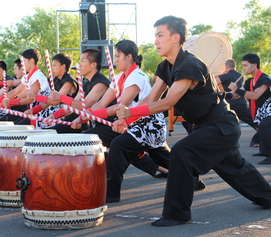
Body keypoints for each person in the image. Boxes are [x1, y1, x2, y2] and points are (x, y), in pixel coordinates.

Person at [115, 16, 271, 226]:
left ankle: (177, 213)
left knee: (182, 152)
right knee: (235, 168)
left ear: (175, 37)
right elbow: (151, 99)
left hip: (221, 124)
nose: (156, 41)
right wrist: (129, 117)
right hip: (209, 127)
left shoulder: (190, 65)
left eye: (160, 35)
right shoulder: (165, 67)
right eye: (155, 36)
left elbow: (167, 102)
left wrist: (129, 113)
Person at [72, 40, 170, 203]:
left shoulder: (137, 76)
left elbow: (120, 106)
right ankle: (191, 179)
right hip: (129, 123)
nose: (115, 60)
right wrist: (82, 116)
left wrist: (93, 114)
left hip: (148, 125)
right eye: (115, 57)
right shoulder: (118, 78)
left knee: (119, 146)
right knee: (90, 138)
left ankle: (111, 193)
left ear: (129, 57)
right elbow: (101, 104)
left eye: (118, 56)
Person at [228, 53, 271, 164]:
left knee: (264, 125)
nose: (244, 68)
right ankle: (264, 151)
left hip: (269, 111)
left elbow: (255, 95)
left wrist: (237, 90)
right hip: (263, 112)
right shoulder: (249, 81)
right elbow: (235, 95)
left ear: (254, 65)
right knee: (261, 126)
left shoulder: (264, 79)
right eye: (243, 66)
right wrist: (222, 95)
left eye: (245, 65)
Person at [25, 53, 79, 131]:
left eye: (55, 65)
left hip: (71, 119)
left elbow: (56, 101)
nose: (52, 68)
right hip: (60, 116)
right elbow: (48, 101)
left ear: (63, 66)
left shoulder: (69, 81)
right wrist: (33, 110)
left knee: (47, 134)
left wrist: (35, 97)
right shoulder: (56, 80)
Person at [215, 59, 258, 146]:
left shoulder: (225, 76)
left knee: (223, 123)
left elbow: (213, 83)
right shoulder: (241, 75)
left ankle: (224, 143)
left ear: (226, 67)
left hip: (230, 104)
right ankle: (263, 136)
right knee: (254, 122)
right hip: (242, 102)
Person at [2, 49, 50, 125]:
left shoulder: (37, 76)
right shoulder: (28, 76)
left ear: (31, 61)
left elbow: (30, 99)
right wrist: (1, 102)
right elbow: (16, 91)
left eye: (24, 61)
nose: (22, 64)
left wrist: (10, 102)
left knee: (16, 129)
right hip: (34, 112)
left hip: (44, 114)